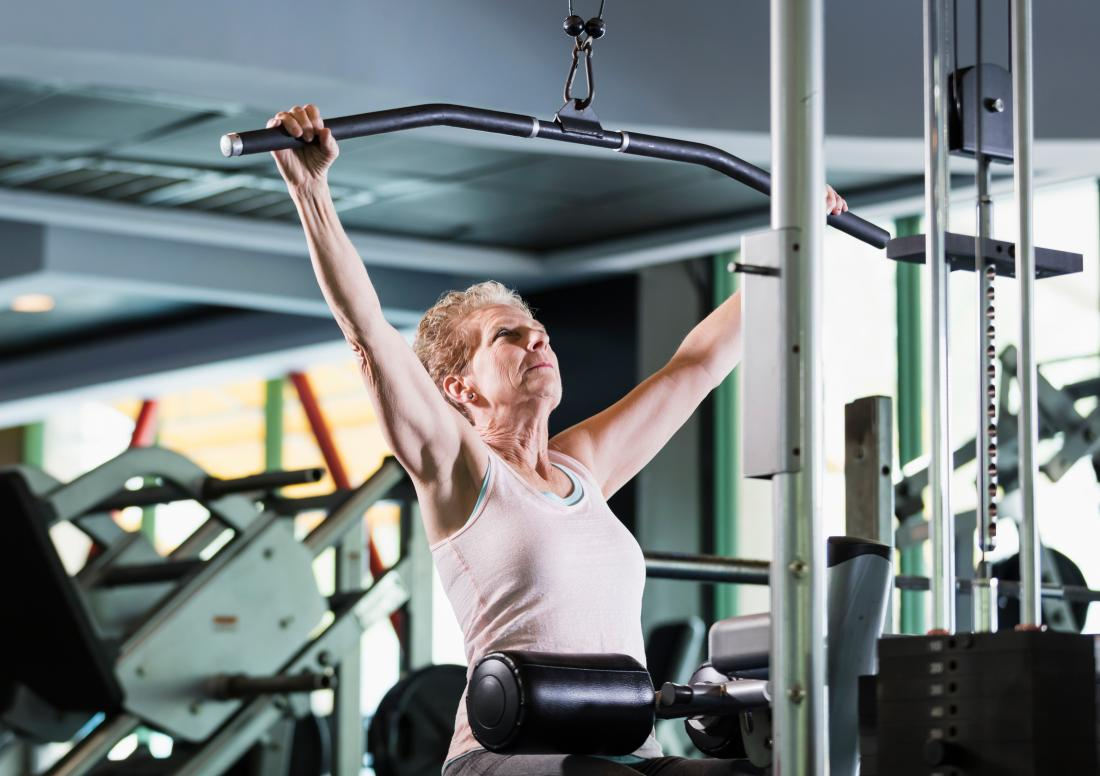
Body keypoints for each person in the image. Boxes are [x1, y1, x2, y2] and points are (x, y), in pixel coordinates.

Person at [269, 104, 848, 776]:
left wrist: (791, 244)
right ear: (457, 388)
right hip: (509, 758)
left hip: (626, 753)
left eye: (537, 329)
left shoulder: (584, 469)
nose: (536, 338)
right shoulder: (461, 470)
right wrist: (309, 190)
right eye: (506, 337)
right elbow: (368, 336)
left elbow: (695, 369)